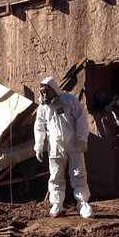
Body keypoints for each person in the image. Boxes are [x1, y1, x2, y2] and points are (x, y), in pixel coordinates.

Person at [33, 77, 93, 218]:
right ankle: (57, 204)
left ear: (54, 89)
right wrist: (39, 146)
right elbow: (39, 126)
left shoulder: (68, 100)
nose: (45, 95)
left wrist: (82, 139)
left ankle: (83, 203)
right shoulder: (43, 106)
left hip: (74, 143)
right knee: (55, 175)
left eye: (47, 91)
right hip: (55, 146)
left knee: (78, 173)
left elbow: (81, 118)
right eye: (43, 92)